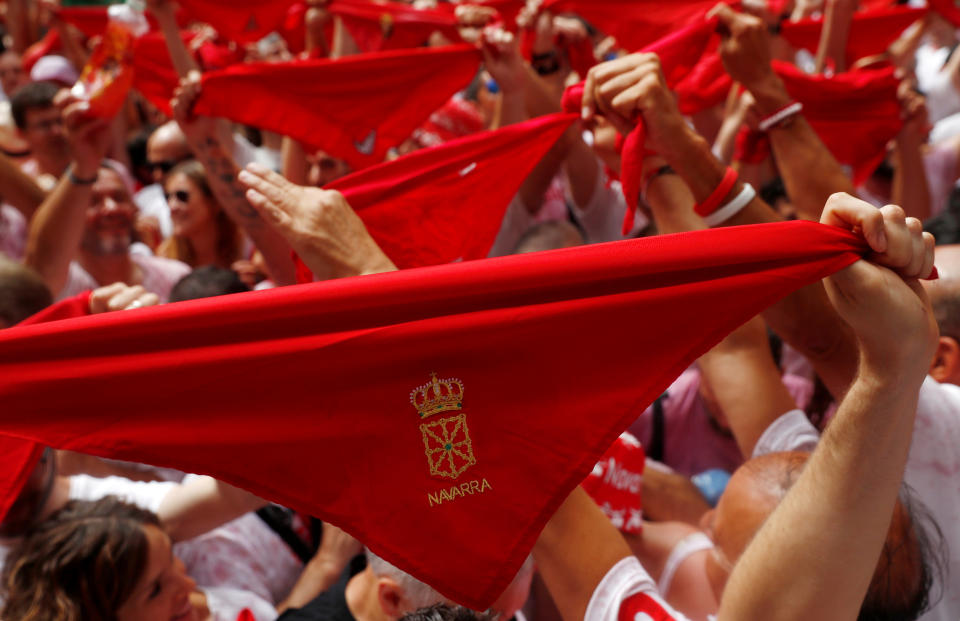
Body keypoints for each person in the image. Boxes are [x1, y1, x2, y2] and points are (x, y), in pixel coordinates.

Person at [24, 90, 190, 302]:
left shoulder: (175, 277)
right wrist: (83, 166)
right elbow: (42, 264)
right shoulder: (60, 286)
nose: (111, 208)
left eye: (119, 197)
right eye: (94, 201)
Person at [1, 497, 276, 621]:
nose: (188, 585)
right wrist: (320, 568)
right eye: (155, 590)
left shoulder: (191, 606)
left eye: (171, 557)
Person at [158, 160, 244, 270]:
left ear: (214, 200)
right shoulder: (166, 258)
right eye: (168, 198)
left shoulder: (247, 250)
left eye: (182, 196)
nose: (172, 206)